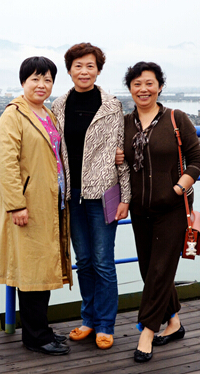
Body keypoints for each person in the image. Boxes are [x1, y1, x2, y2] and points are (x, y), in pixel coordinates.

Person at [119, 61, 200, 363]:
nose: (143, 89)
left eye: (149, 83)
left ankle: (146, 332)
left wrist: (177, 189)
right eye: (137, 84)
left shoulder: (175, 118)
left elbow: (197, 160)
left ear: (160, 87)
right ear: (130, 89)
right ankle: (174, 322)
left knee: (159, 270)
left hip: (172, 208)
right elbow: (121, 164)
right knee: (149, 270)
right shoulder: (124, 123)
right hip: (140, 209)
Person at [50, 43, 131, 350]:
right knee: (83, 261)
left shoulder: (111, 106)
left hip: (103, 194)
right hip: (72, 196)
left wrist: (125, 197)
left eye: (90, 66)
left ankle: (106, 324)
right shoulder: (59, 106)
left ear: (98, 70)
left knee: (103, 261)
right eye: (78, 66)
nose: (84, 71)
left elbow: (121, 155)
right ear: (69, 70)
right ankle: (89, 319)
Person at [0, 56, 73, 356]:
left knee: (43, 268)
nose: (42, 85)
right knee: (32, 272)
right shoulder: (13, 115)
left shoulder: (47, 113)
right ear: (23, 82)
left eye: (47, 79)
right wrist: (16, 205)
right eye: (35, 79)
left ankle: (42, 329)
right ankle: (35, 337)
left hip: (51, 202)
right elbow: (6, 163)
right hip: (29, 205)